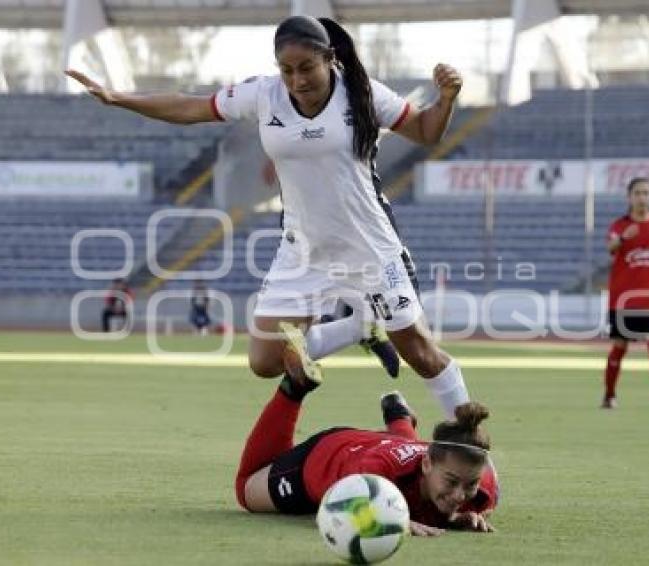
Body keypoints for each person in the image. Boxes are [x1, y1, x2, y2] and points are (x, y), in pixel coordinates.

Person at [67, 15, 470, 416]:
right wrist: (119, 98)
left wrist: (446, 100)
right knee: (265, 360)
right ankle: (358, 327)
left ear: (329, 58)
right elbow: (190, 107)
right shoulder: (263, 95)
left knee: (421, 355)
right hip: (303, 250)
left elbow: (425, 131)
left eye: (307, 68)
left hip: (369, 247)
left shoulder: (363, 93)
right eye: (287, 70)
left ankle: (469, 437)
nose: (297, 80)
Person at [233, 355, 498, 536]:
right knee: (246, 490)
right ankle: (294, 388)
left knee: (405, 452)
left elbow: (465, 487)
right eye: (451, 482)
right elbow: (341, 506)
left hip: (386, 446)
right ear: (427, 464)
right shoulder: (371, 474)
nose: (460, 496)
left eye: (470, 485)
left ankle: (399, 418)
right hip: (329, 455)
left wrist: (457, 517)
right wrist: (393, 520)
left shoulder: (483, 490)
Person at [602, 178, 649, 410]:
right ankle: (609, 395)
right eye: (637, 193)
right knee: (619, 347)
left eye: (646, 193)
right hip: (623, 298)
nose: (642, 197)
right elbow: (611, 248)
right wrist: (625, 237)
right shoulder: (619, 225)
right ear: (629, 197)